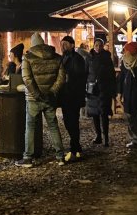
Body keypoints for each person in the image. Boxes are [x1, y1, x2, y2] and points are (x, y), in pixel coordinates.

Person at [15, 34, 65, 167]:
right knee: (53, 126)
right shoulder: (56, 58)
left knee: (30, 127)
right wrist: (52, 91)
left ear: (32, 44)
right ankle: (60, 156)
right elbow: (61, 78)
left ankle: (28, 158)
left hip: (33, 98)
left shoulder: (27, 58)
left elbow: (27, 79)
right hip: (50, 98)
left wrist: (37, 94)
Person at [58, 35, 87, 161]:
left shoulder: (78, 59)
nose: (63, 46)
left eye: (65, 44)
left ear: (72, 45)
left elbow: (80, 77)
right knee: (68, 122)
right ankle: (77, 147)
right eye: (62, 44)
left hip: (73, 95)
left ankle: (73, 149)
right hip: (65, 95)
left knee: (73, 122)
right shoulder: (63, 58)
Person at [85, 37, 116, 147]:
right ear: (93, 46)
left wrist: (113, 90)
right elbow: (85, 73)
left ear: (103, 47)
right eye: (96, 45)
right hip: (92, 90)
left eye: (100, 45)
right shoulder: (89, 58)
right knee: (95, 114)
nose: (98, 47)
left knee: (103, 114)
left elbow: (112, 74)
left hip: (104, 89)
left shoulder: (107, 58)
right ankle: (98, 135)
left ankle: (106, 137)